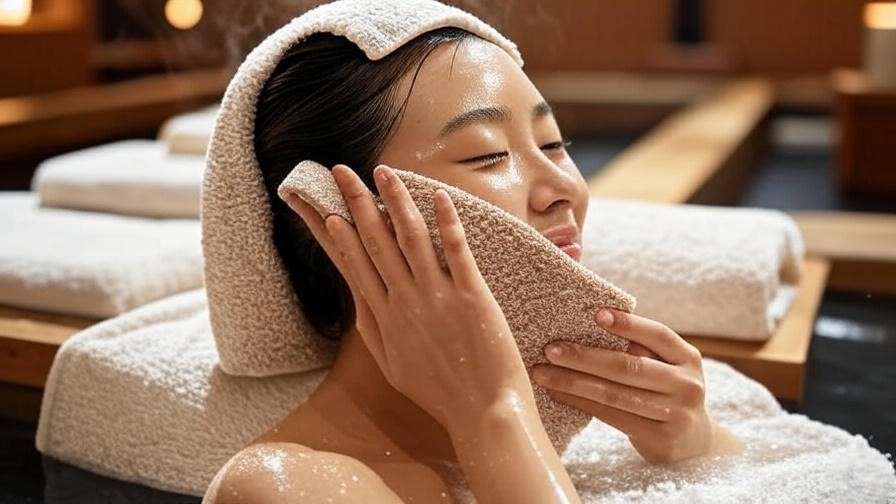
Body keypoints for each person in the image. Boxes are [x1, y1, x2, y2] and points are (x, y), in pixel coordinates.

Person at [203, 24, 741, 504]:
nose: (565, 190)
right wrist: (491, 414)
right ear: (338, 214)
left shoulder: (610, 427)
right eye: (486, 154)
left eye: (553, 143)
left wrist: (695, 444)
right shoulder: (284, 486)